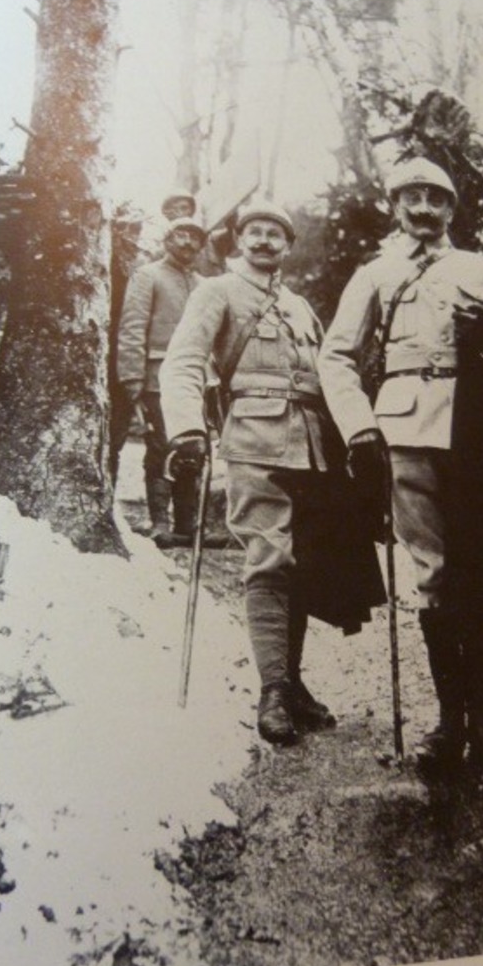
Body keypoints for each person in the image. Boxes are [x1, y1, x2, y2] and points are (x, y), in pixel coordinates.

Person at [318, 157, 483, 774]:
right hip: (404, 429)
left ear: (452, 209)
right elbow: (337, 356)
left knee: (478, 568)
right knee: (433, 574)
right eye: (412, 198)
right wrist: (360, 426)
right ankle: (450, 718)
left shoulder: (481, 269)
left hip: (477, 434)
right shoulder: (375, 274)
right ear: (395, 206)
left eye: (435, 199)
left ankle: (481, 716)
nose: (423, 209)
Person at [160, 199, 384, 746]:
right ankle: (272, 693)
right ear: (239, 241)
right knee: (268, 559)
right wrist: (186, 428)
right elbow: (184, 359)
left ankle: (293, 683)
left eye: (275, 234)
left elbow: (331, 373)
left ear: (288, 245)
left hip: (313, 446)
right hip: (255, 441)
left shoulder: (300, 305)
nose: (264, 241)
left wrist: (358, 431)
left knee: (302, 565)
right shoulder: (215, 291)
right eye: (254, 232)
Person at [114, 215, 207, 548]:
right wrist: (131, 377)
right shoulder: (147, 276)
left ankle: (188, 525)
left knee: (193, 448)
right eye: (180, 235)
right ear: (167, 240)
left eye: (195, 237)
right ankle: (160, 522)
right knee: (161, 448)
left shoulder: (203, 284)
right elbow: (133, 327)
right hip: (157, 377)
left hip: (195, 379)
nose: (187, 242)